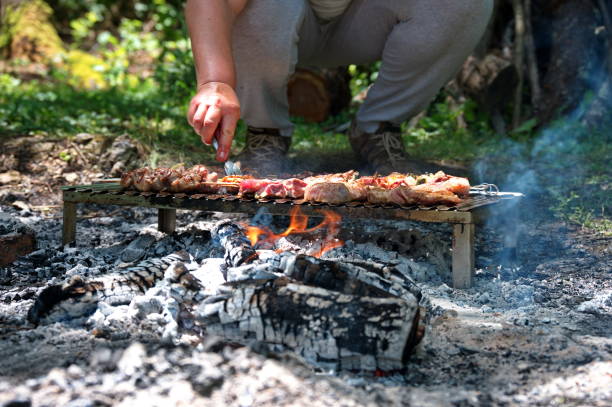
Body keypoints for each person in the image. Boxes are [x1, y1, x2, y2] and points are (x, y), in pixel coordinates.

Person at [185, 0, 493, 175]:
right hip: (274, 19)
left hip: (367, 20)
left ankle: (378, 129)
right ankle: (266, 133)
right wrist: (216, 81)